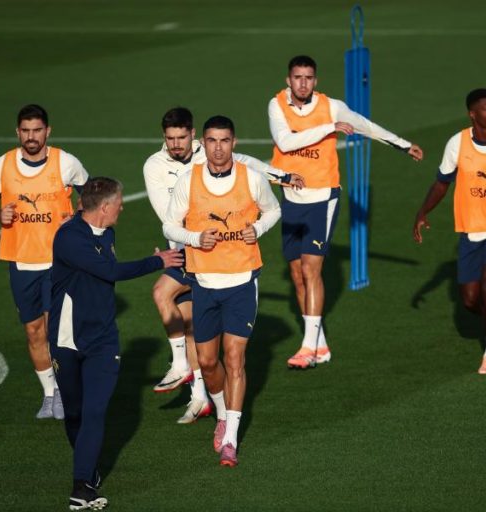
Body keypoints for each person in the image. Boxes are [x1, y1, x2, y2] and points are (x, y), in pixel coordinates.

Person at [144, 107, 301, 424]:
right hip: (188, 249)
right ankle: (194, 384)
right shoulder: (155, 166)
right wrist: (189, 237)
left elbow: (247, 166)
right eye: (170, 139)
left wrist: (281, 176)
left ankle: (192, 382)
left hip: (215, 256)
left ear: (192, 136)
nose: (175, 144)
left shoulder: (211, 153)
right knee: (181, 316)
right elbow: (167, 215)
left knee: (168, 298)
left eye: (181, 137)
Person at [270, 54, 424, 369]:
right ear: (289, 80)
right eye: (298, 77)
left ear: (316, 80)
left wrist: (402, 143)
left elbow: (365, 125)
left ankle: (307, 347)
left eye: (309, 77)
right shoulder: (276, 106)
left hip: (322, 196)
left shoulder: (332, 106)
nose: (303, 83)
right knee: (297, 274)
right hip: (290, 197)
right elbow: (285, 144)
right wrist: (330, 128)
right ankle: (320, 345)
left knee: (312, 270)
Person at [48, 177, 182, 510]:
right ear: (105, 207)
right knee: (76, 413)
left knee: (94, 410)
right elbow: (110, 272)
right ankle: (88, 467)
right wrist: (157, 262)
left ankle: (81, 486)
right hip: (67, 340)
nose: (123, 207)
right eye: (119, 202)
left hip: (103, 340)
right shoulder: (68, 239)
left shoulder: (107, 233)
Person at [164, 115, 281, 467]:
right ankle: (221, 413)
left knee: (234, 360)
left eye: (225, 141)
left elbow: (274, 210)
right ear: (204, 141)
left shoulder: (252, 179)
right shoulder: (189, 181)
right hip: (204, 284)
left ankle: (230, 438)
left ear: (234, 142)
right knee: (210, 362)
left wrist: (257, 229)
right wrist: (196, 238)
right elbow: (169, 224)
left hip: (242, 282)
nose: (218, 148)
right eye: (212, 141)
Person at [0, 104, 89, 419]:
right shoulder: (2, 165)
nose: (31, 137)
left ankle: (69, 390)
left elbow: (91, 195)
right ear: (18, 133)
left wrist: (78, 217)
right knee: (33, 330)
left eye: (37, 130)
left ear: (47, 131)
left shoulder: (65, 162)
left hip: (59, 263)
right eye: (25, 131)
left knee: (59, 330)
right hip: (21, 261)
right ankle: (50, 394)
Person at [413, 89, 486, 374]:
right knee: (469, 300)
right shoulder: (457, 143)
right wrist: (422, 212)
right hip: (470, 228)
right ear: (473, 114)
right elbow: (442, 182)